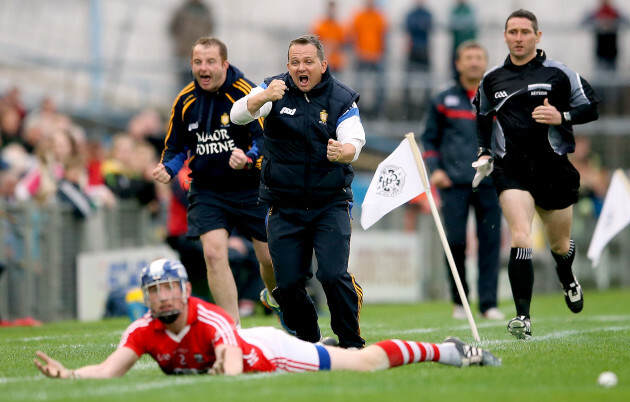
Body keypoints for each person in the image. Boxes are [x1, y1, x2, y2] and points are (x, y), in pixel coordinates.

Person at [32, 259, 501, 379]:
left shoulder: (208, 318)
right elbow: (110, 369)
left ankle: (448, 350)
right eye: (153, 292)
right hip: (251, 351)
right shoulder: (141, 330)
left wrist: (220, 377)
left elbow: (233, 368)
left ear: (185, 290)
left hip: (270, 355)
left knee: (365, 364)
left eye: (169, 288)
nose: (161, 298)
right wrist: (69, 373)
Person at [230, 34, 366, 349]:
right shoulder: (272, 89)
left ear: (322, 65)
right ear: (287, 66)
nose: (300, 68)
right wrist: (260, 99)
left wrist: (341, 152)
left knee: (332, 276)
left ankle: (351, 344)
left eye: (307, 62)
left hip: (329, 204)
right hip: (284, 206)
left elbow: (354, 141)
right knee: (287, 285)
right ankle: (310, 342)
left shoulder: (342, 98)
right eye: (295, 62)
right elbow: (237, 115)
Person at [473, 9, 600, 339]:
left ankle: (567, 277)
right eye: (512, 32)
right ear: (504, 36)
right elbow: (483, 118)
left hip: (554, 170)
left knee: (560, 245)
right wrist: (484, 152)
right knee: (520, 235)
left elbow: (592, 107)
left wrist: (562, 115)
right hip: (511, 171)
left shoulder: (559, 73)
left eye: (525, 32)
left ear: (537, 36)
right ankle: (523, 318)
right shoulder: (492, 79)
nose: (518, 38)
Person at [152, 37, 275, 326]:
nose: (203, 68)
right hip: (207, 190)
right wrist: (168, 169)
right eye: (197, 62)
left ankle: (276, 297)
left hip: (250, 187)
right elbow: (175, 147)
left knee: (270, 260)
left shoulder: (246, 93)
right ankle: (232, 329)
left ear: (224, 64)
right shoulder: (185, 100)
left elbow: (266, 139)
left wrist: (247, 157)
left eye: (210, 62)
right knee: (214, 254)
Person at [421, 41, 503, 321]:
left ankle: (489, 303)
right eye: (468, 57)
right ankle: (460, 301)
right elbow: (429, 139)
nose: (473, 62)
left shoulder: (498, 99)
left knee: (490, 242)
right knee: (455, 242)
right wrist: (435, 169)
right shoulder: (443, 99)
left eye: (479, 57)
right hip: (453, 183)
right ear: (458, 63)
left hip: (491, 182)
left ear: (486, 63)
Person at [348, 0, 388, 118]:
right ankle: (358, 110)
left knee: (379, 85)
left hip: (376, 57)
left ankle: (377, 111)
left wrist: (381, 53)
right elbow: (353, 35)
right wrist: (357, 52)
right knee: (359, 85)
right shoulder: (359, 16)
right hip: (362, 56)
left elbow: (383, 36)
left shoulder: (379, 17)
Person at [169, 0, 214, 88]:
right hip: (184, 53)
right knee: (183, 83)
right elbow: (173, 27)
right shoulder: (183, 10)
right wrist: (181, 41)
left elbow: (210, 28)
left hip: (201, 55)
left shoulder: (205, 11)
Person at [403, 0, 433, 119]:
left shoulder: (427, 14)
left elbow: (427, 26)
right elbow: (414, 26)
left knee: (427, 80)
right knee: (408, 81)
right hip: (413, 49)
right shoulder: (411, 14)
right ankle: (409, 109)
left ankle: (424, 107)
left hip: (424, 50)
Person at [583, 0, 628, 72]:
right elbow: (584, 22)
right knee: (599, 68)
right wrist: (598, 24)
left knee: (612, 69)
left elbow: (626, 22)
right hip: (600, 46)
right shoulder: (596, 12)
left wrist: (612, 24)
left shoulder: (615, 12)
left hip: (612, 46)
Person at [312, 1, 347, 76]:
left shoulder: (339, 27)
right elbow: (314, 42)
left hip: (336, 63)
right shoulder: (320, 26)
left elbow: (342, 44)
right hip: (322, 62)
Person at [448, 0, 477, 74]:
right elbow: (451, 24)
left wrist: (459, 25)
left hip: (469, 45)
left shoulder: (470, 10)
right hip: (456, 45)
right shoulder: (454, 10)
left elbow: (471, 23)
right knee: (455, 69)